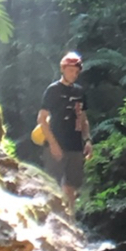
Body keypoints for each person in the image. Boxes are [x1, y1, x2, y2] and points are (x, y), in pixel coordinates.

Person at [37, 51, 92, 213]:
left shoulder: (80, 92)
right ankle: (51, 220)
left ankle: (70, 221)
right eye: (70, 70)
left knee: (71, 187)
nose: (74, 74)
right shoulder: (53, 90)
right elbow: (42, 119)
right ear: (63, 69)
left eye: (76, 72)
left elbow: (83, 119)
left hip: (75, 145)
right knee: (52, 186)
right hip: (56, 144)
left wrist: (87, 140)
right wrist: (53, 144)